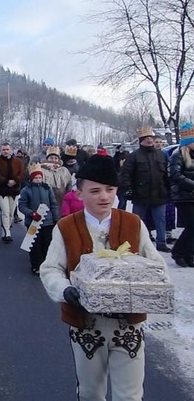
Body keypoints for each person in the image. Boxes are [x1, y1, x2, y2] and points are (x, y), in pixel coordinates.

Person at [40, 154, 166, 401]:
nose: (104, 197)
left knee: (129, 395)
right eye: (95, 190)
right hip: (87, 324)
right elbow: (51, 269)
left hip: (128, 324)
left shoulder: (133, 223)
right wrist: (65, 290)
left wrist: (146, 280)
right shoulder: (66, 227)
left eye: (110, 190)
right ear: (79, 193)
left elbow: (157, 265)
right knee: (90, 393)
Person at [119, 125, 171, 252]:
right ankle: (132, 242)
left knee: (160, 220)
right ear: (141, 140)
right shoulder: (134, 156)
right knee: (136, 221)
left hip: (159, 194)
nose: (150, 140)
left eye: (151, 138)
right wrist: (128, 190)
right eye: (146, 138)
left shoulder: (161, 155)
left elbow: (167, 175)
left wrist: (168, 190)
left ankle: (161, 243)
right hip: (140, 195)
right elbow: (125, 175)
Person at [18, 164, 59, 274]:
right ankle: (36, 265)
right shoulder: (26, 190)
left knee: (47, 243)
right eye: (36, 178)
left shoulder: (47, 189)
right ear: (32, 178)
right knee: (34, 245)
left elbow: (53, 204)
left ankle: (46, 264)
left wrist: (56, 218)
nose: (38, 179)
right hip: (33, 222)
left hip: (47, 221)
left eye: (40, 177)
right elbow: (22, 205)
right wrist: (31, 213)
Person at [168, 121, 194, 267]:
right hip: (182, 196)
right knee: (192, 225)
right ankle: (178, 251)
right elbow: (175, 175)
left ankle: (189, 254)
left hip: (192, 196)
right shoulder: (177, 155)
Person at [0, 142, 24, 243]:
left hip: (14, 191)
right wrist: (6, 181)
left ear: (11, 150)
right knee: (5, 211)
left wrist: (15, 180)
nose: (5, 151)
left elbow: (22, 173)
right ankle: (7, 233)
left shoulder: (18, 162)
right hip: (2, 191)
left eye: (7, 149)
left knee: (10, 213)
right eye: (4, 149)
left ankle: (6, 230)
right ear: (1, 150)